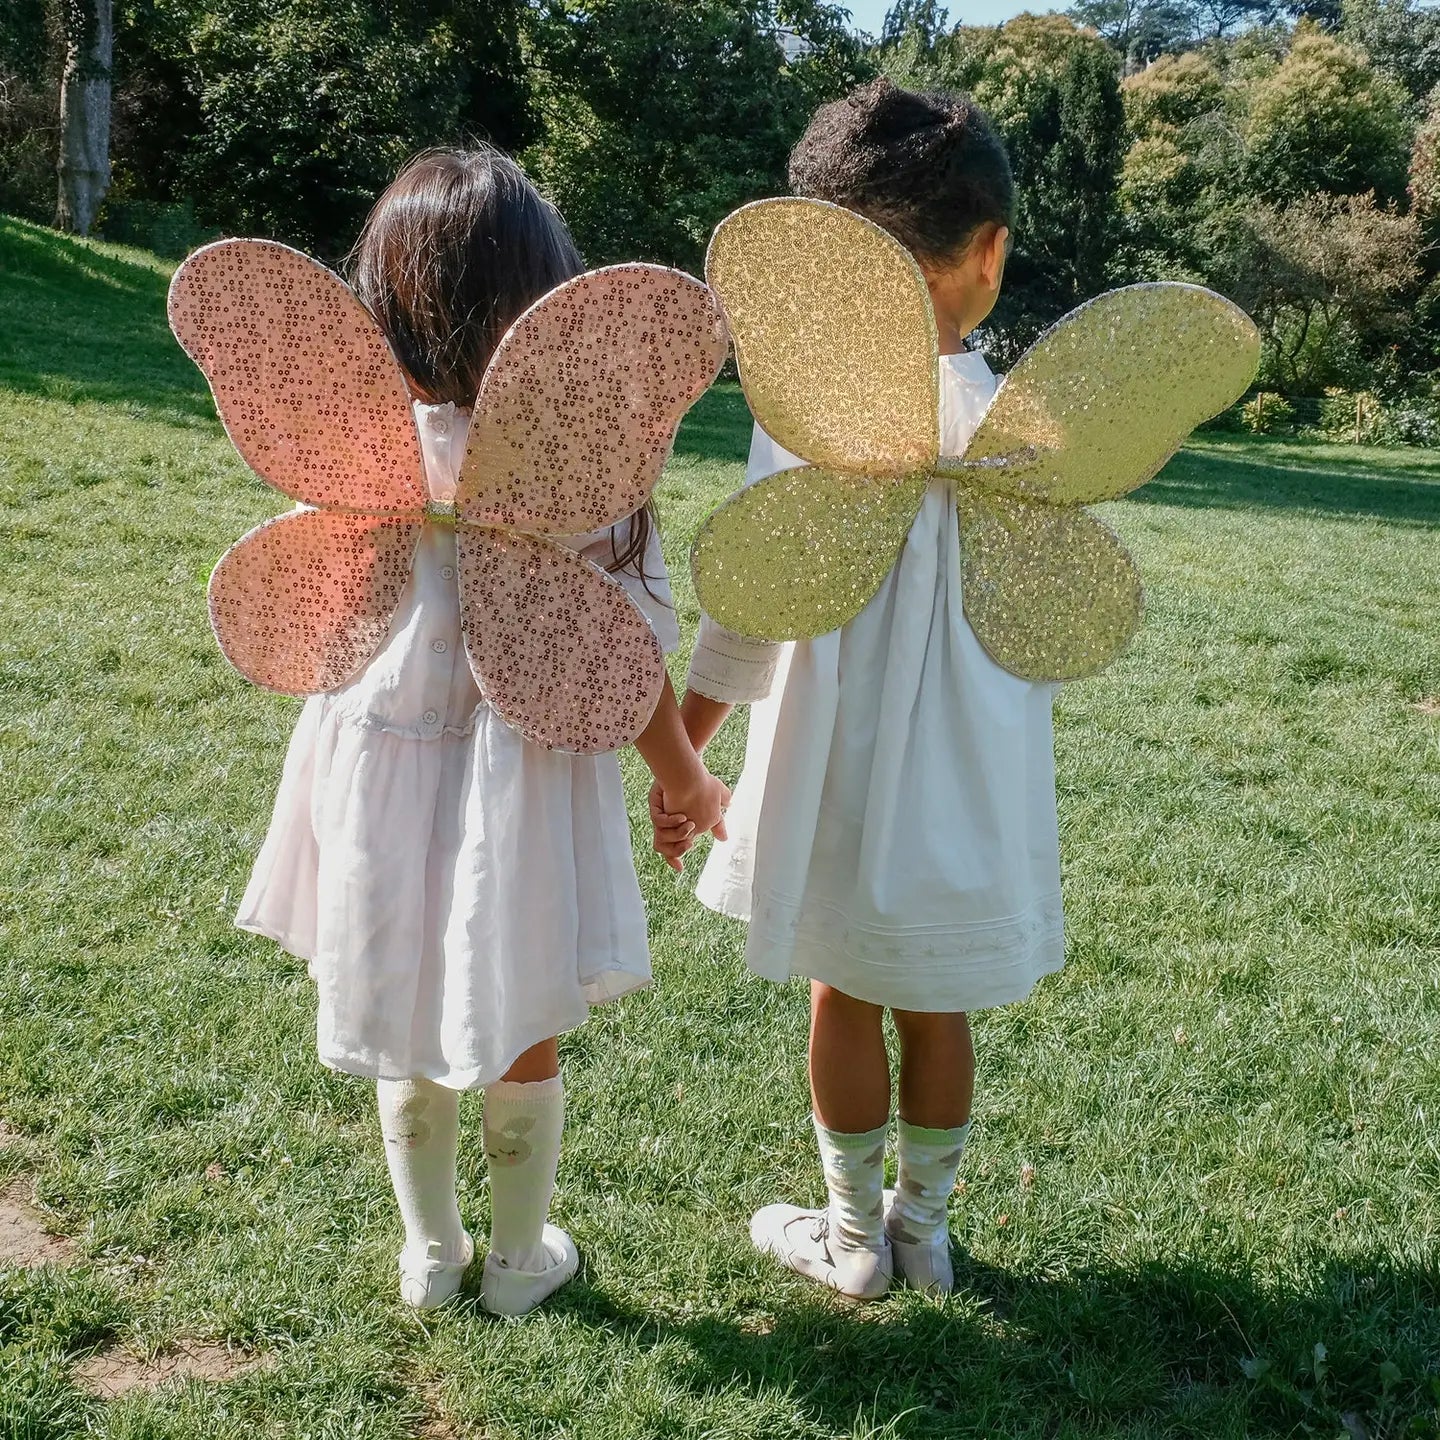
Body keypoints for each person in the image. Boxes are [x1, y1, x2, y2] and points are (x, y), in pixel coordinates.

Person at [235, 146, 730, 1315]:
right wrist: (689, 783)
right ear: (543, 299)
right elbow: (622, 657)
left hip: (377, 760)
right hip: (524, 770)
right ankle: (516, 1262)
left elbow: (322, 608)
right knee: (515, 1001)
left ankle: (429, 1252)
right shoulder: (582, 460)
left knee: (397, 993)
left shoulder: (355, 447)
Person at [653, 79, 1061, 1301]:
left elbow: (754, 602)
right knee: (936, 999)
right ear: (990, 254)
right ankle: (922, 1236)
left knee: (842, 985)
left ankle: (851, 1238)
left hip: (832, 748)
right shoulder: (1028, 422)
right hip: (970, 763)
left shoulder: (810, 411)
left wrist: (686, 752)